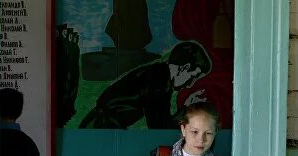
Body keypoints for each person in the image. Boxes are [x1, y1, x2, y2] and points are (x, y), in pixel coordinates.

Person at [79, 40, 212, 130]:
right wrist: (186, 110)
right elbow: (160, 128)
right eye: (193, 76)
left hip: (99, 128)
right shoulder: (159, 81)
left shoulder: (159, 74)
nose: (190, 84)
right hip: (99, 129)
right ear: (184, 68)